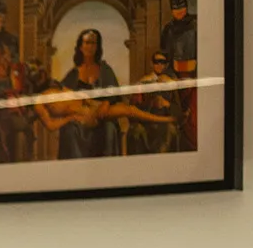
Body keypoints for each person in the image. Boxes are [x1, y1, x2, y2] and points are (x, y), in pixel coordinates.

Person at [58, 28, 122, 159]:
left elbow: (115, 94)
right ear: (80, 46)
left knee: (110, 128)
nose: (90, 46)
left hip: (102, 117)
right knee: (69, 128)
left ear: (97, 46)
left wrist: (106, 103)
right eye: (86, 43)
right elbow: (63, 94)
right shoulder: (73, 74)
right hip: (81, 118)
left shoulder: (105, 69)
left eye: (93, 43)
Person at [160, 0, 199, 150]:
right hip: (175, 76)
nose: (180, 11)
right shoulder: (168, 30)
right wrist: (170, 77)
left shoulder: (195, 24)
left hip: (194, 74)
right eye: (176, 9)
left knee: (193, 115)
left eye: (182, 7)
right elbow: (165, 55)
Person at [130, 50, 181, 155]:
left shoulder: (171, 83)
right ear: (151, 63)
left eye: (162, 62)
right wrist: (150, 102)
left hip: (165, 122)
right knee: (137, 131)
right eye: (156, 62)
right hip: (147, 122)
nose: (159, 65)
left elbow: (178, 110)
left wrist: (167, 104)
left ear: (166, 65)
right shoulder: (143, 81)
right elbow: (134, 107)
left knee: (169, 131)